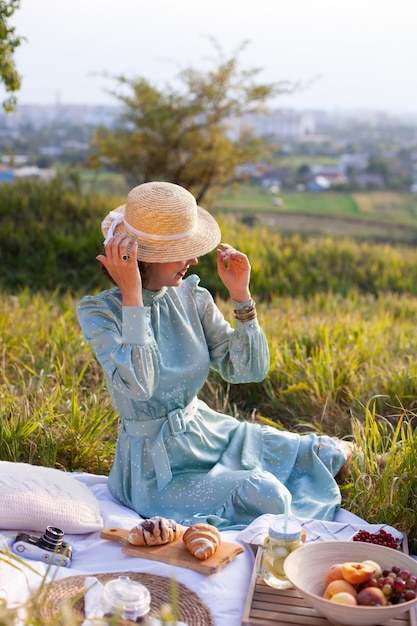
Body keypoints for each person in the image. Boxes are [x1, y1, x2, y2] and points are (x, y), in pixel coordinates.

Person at [77, 181, 351, 530]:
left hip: (207, 434)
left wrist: (241, 296)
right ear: (148, 255)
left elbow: (247, 370)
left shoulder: (192, 295)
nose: (193, 259)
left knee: (320, 450)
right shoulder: (100, 313)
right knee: (268, 495)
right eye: (181, 250)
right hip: (154, 471)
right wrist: (132, 295)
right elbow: (140, 386)